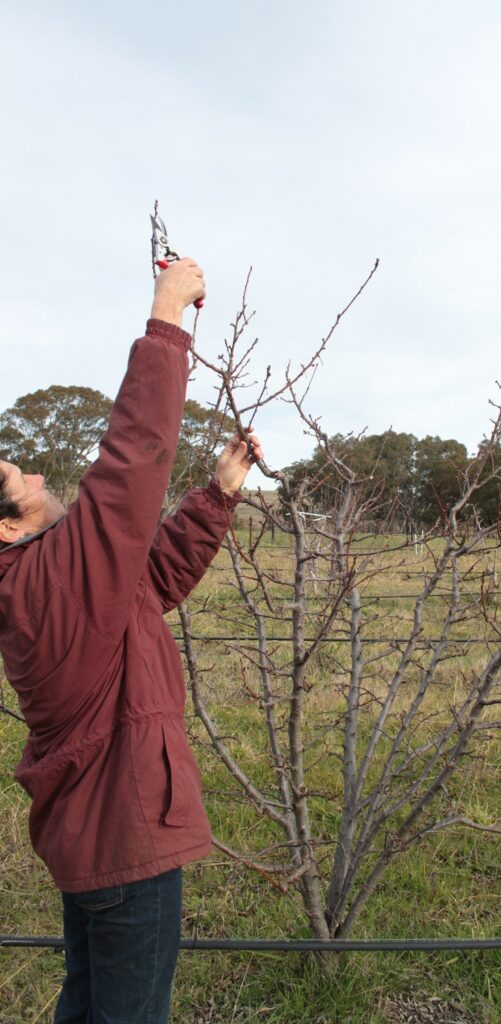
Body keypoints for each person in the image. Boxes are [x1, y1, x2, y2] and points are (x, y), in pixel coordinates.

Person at [0, 258, 263, 1023]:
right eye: (17, 478)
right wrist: (166, 318)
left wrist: (218, 493)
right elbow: (129, 462)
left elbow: (152, 584)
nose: (35, 473)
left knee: (87, 1008)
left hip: (95, 840)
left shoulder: (50, 584)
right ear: (8, 526)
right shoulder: (49, 576)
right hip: (123, 840)